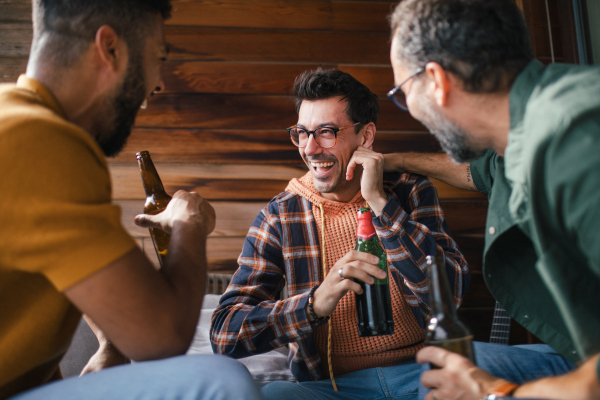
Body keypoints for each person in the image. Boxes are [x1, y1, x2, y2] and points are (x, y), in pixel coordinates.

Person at [0, 1, 262, 399]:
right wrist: (188, 223)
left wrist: (107, 352)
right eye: (157, 57)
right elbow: (163, 337)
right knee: (223, 380)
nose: (157, 84)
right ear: (110, 49)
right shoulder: (43, 141)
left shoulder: (11, 115)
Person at [210, 68, 470, 400]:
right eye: (302, 133)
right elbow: (224, 334)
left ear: (365, 136)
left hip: (421, 375)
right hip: (330, 388)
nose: (311, 148)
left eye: (327, 132)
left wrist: (380, 203)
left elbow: (452, 293)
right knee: (271, 395)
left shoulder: (409, 190)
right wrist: (314, 304)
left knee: (507, 369)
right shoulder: (280, 215)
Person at [384, 0, 600, 399]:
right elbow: (474, 173)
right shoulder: (515, 139)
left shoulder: (573, 138)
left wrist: (496, 394)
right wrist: (394, 161)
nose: (410, 109)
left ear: (436, 80)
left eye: (402, 92)